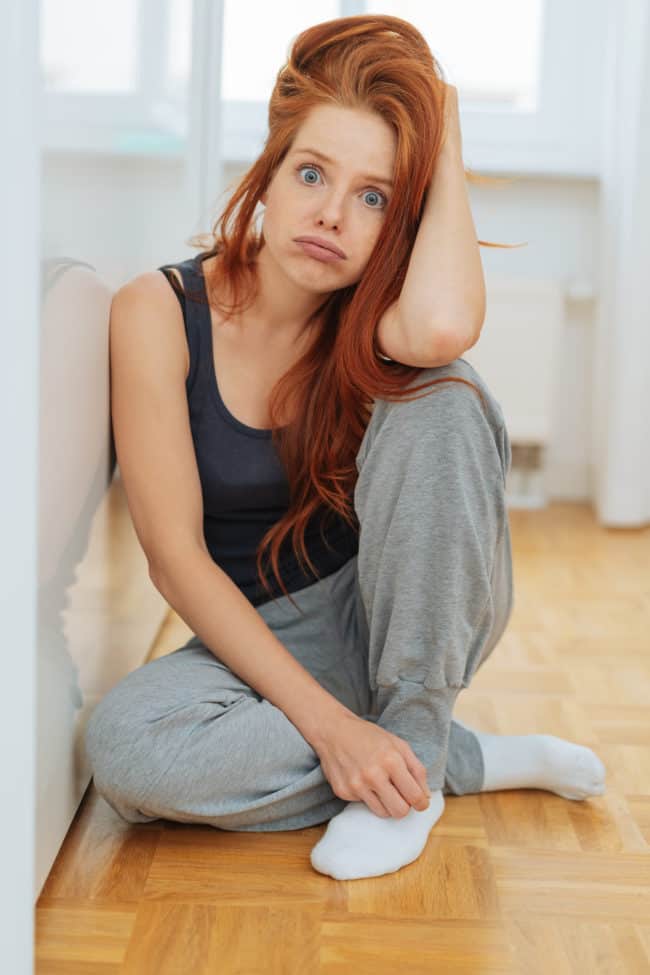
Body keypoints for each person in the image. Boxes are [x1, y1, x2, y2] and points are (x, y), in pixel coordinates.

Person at [84, 14, 606, 882]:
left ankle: (409, 741)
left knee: (445, 393)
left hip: (402, 608)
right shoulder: (158, 312)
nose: (331, 214)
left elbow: (442, 326)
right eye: (313, 173)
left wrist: (442, 129)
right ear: (271, 170)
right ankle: (436, 760)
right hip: (248, 639)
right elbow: (175, 562)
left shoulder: (383, 319)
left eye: (373, 196)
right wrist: (332, 727)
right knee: (127, 751)